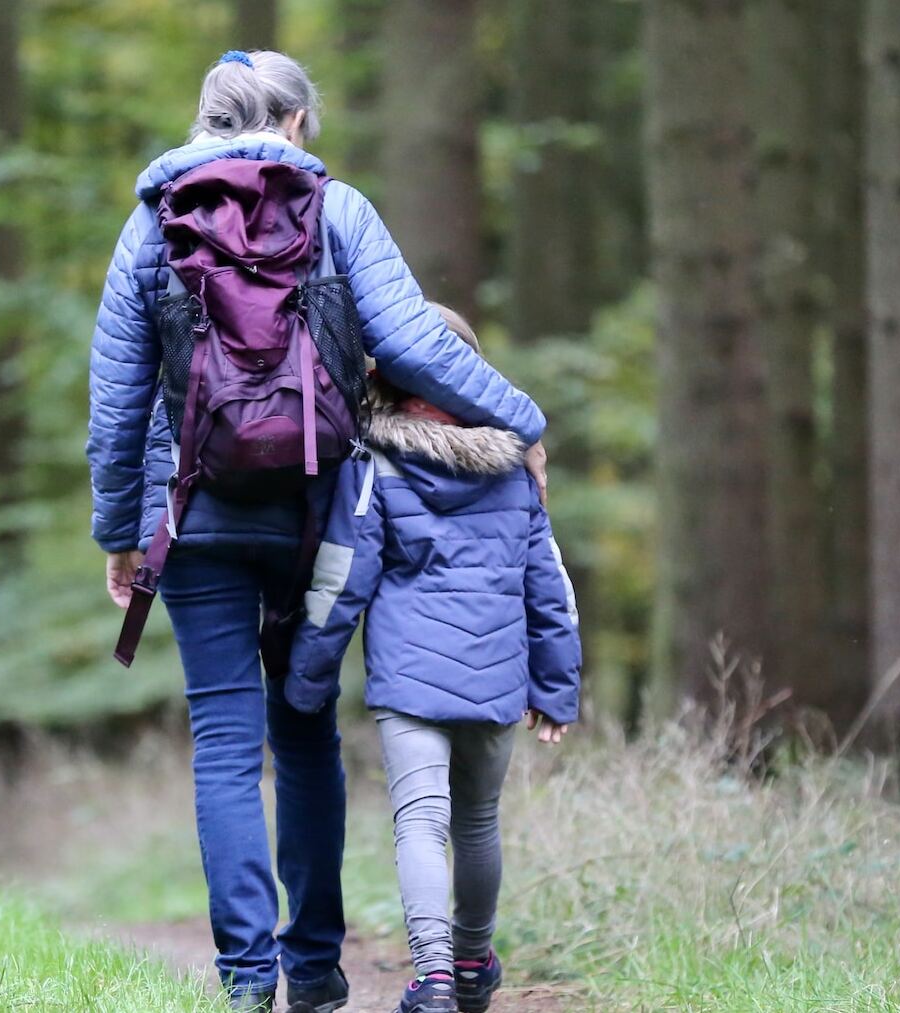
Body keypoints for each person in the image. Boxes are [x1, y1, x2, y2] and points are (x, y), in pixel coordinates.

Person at [86, 51, 550, 1012]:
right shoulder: (339, 210)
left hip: (196, 511)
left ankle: (248, 979)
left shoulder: (150, 225)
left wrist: (120, 534)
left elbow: (117, 400)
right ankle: (314, 968)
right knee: (304, 734)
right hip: (319, 514)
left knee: (223, 739)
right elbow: (417, 343)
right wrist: (523, 420)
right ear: (296, 121)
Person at [284, 307, 582, 1013]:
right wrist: (557, 684)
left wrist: (308, 675)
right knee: (478, 820)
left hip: (411, 682)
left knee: (420, 820)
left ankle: (435, 978)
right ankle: (475, 960)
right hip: (499, 678)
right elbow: (551, 585)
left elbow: (341, 577)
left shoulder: (374, 463)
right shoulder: (515, 469)